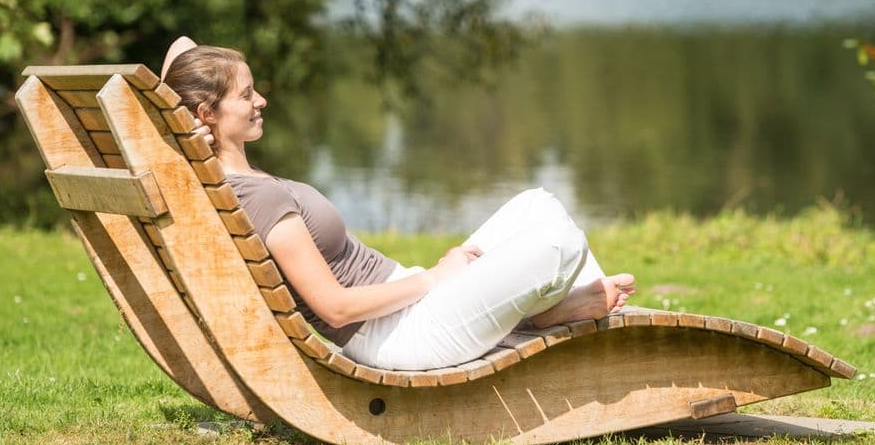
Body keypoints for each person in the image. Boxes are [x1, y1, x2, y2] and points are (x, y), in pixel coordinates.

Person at [160, 37, 635, 371]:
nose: (261, 99)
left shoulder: (227, 177)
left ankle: (547, 312)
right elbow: (336, 307)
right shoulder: (257, 195)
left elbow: (181, 48)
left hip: (407, 308)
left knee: (539, 204)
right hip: (403, 334)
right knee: (559, 242)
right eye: (246, 95)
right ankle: (550, 314)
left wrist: (179, 130)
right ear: (207, 112)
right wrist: (436, 276)